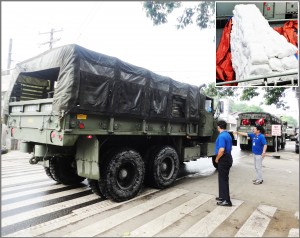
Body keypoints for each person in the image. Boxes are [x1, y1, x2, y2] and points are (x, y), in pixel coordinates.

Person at [215, 120, 233, 207]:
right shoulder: (228, 134)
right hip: (228, 157)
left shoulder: (222, 136)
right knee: (222, 179)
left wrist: (217, 159)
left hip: (224, 159)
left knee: (223, 180)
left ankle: (227, 200)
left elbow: (221, 150)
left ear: (218, 127)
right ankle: (222, 196)